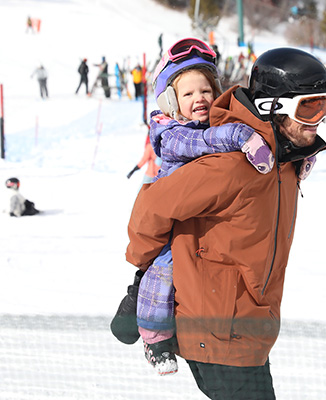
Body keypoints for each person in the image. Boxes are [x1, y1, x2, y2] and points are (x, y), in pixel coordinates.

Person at [123, 47, 326, 398]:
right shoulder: (233, 165)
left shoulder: (283, 161)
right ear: (273, 108)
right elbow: (152, 208)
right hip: (218, 329)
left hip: (251, 325)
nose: (319, 120)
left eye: (325, 106)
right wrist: (145, 270)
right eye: (309, 108)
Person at [112, 38, 277, 377]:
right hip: (172, 221)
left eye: (205, 91)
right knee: (162, 271)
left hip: (200, 220)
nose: (199, 99)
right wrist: (239, 137)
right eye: (187, 95)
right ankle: (154, 338)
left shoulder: (216, 123)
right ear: (172, 101)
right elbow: (200, 143)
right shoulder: (171, 133)